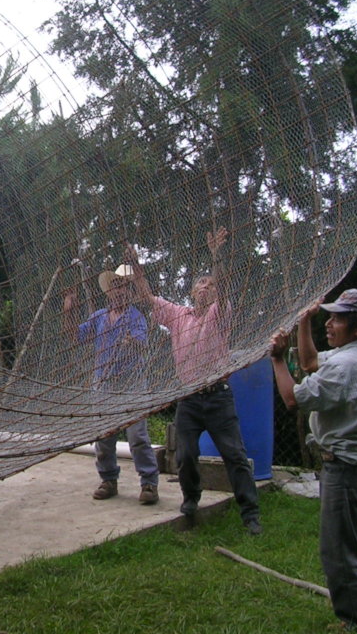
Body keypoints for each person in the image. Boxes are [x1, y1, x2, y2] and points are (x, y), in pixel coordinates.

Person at [127, 227, 262, 534]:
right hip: (189, 398)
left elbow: (226, 288)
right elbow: (148, 296)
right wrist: (136, 265)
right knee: (186, 455)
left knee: (235, 456)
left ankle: (250, 514)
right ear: (191, 291)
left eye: (210, 285)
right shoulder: (177, 315)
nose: (206, 287)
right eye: (201, 283)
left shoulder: (221, 311)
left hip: (218, 397)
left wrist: (217, 259)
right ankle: (190, 500)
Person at [269, 290, 357, 634]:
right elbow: (310, 364)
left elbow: (293, 399)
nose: (330, 324)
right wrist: (305, 321)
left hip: (347, 468)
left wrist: (276, 359)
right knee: (355, 549)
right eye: (329, 317)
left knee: (338, 555)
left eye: (337, 319)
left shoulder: (348, 366)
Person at [62, 264, 159, 505]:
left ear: (130, 291)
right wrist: (69, 310)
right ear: (108, 292)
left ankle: (149, 483)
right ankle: (108, 480)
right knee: (104, 437)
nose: (119, 291)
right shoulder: (98, 318)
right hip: (103, 385)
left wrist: (131, 343)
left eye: (124, 286)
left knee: (137, 437)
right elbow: (74, 337)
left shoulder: (136, 316)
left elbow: (142, 344)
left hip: (132, 385)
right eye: (115, 286)